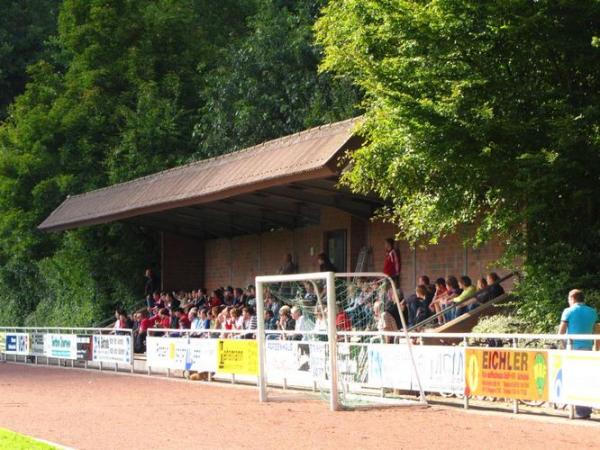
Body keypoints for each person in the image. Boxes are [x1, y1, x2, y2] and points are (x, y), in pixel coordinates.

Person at [559, 289, 598, 419]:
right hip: (588, 349)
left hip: (573, 348)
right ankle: (585, 410)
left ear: (572, 298)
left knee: (574, 379)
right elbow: (595, 332)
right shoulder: (592, 311)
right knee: (586, 379)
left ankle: (579, 411)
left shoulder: (568, 311)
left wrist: (565, 347)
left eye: (568, 299)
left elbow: (561, 333)